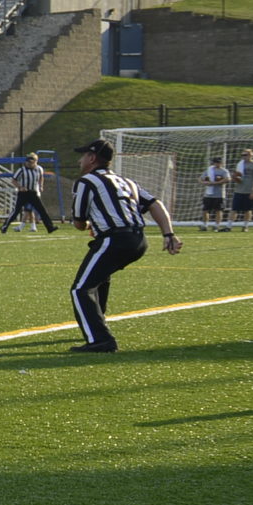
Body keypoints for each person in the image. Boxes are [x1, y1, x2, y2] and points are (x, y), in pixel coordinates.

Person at [66, 139, 181, 353]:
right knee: (100, 278)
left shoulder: (86, 182)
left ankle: (101, 340)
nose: (79, 160)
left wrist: (90, 223)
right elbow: (155, 203)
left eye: (83, 156)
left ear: (92, 158)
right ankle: (96, 325)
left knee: (80, 289)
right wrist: (168, 233)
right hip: (138, 240)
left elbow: (79, 223)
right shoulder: (125, 181)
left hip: (114, 239)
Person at [0, 155, 56, 234]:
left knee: (42, 210)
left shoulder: (39, 169)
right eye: (28, 162)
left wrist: (41, 186)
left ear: (35, 162)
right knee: (16, 211)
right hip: (23, 193)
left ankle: (50, 227)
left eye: (31, 163)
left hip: (33, 192)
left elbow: (41, 177)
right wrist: (20, 187)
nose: (29, 164)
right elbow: (13, 180)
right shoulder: (21, 170)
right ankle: (4, 226)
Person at [202, 156, 230, 231]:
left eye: (219, 162)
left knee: (218, 210)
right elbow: (201, 179)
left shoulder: (224, 171)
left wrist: (216, 182)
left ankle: (217, 225)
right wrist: (205, 182)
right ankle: (205, 225)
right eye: (216, 162)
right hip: (208, 194)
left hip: (219, 194)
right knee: (205, 210)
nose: (217, 163)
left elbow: (227, 179)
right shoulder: (209, 170)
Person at [236, 148, 253, 223]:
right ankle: (229, 226)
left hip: (249, 190)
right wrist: (235, 178)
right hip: (239, 190)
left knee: (247, 209)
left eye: (245, 155)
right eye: (242, 155)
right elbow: (238, 177)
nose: (243, 156)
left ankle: (246, 225)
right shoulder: (240, 164)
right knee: (234, 209)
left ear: (251, 155)